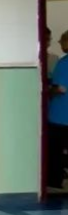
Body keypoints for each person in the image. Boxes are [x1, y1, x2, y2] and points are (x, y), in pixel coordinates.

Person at [47, 30, 68, 189]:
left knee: (55, 154)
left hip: (60, 117)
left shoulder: (64, 62)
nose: (60, 44)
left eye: (62, 41)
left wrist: (47, 90)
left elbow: (60, 89)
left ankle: (55, 184)